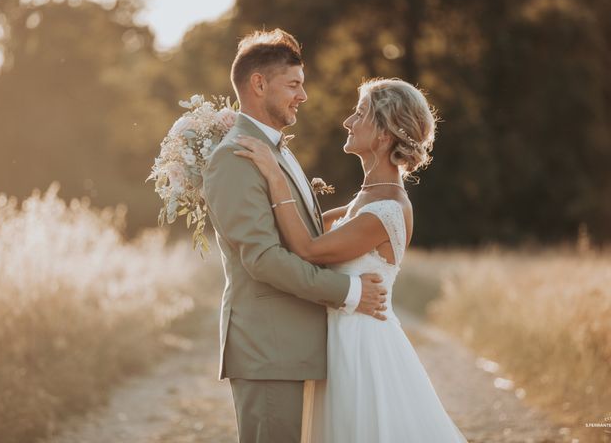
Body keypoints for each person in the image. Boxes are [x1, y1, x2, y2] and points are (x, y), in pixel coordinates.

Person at [234, 77, 469, 442]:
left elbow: (308, 249)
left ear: (384, 135)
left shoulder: (387, 209)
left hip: (363, 348)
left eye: (359, 114)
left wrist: (275, 176)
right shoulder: (366, 199)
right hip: (341, 338)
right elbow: (304, 227)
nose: (347, 122)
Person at [201, 29, 389, 443]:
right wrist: (350, 292)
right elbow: (264, 258)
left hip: (298, 349)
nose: (303, 95)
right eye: (294, 84)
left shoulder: (276, 152)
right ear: (258, 84)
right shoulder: (234, 159)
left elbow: (304, 235)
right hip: (269, 351)